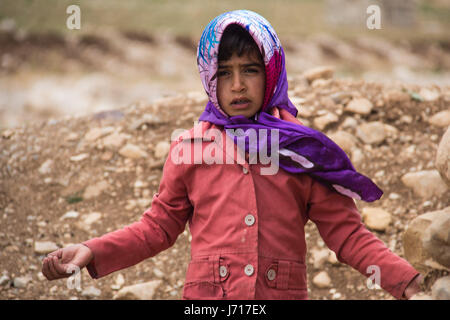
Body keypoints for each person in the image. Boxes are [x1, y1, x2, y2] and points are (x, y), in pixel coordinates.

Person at [42, 10, 423, 300]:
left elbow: (348, 235)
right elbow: (156, 229)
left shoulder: (304, 151)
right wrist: (92, 250)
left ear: (272, 72)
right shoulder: (190, 149)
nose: (238, 85)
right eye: (224, 73)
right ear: (210, 78)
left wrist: (409, 284)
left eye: (251, 70)